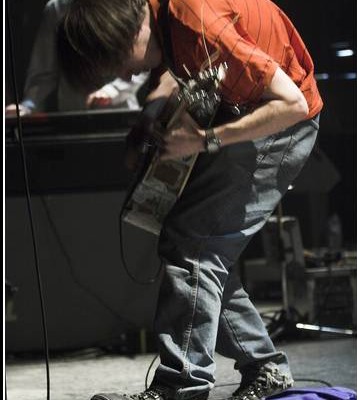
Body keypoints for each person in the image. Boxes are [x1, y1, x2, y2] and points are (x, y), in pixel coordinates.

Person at [57, 0, 323, 400]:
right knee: (189, 246)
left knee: (196, 249)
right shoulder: (167, 16)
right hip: (252, 115)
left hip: (284, 124)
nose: (124, 75)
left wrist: (203, 140)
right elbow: (174, 66)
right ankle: (265, 366)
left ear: (130, 32)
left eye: (118, 64)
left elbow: (291, 104)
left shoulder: (195, 18)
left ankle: (181, 387)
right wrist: (151, 117)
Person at [5, 0, 148, 116]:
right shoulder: (57, 9)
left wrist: (112, 90)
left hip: (118, 110)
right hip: (74, 114)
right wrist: (29, 106)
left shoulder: (122, 4)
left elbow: (141, 59)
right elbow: (43, 71)